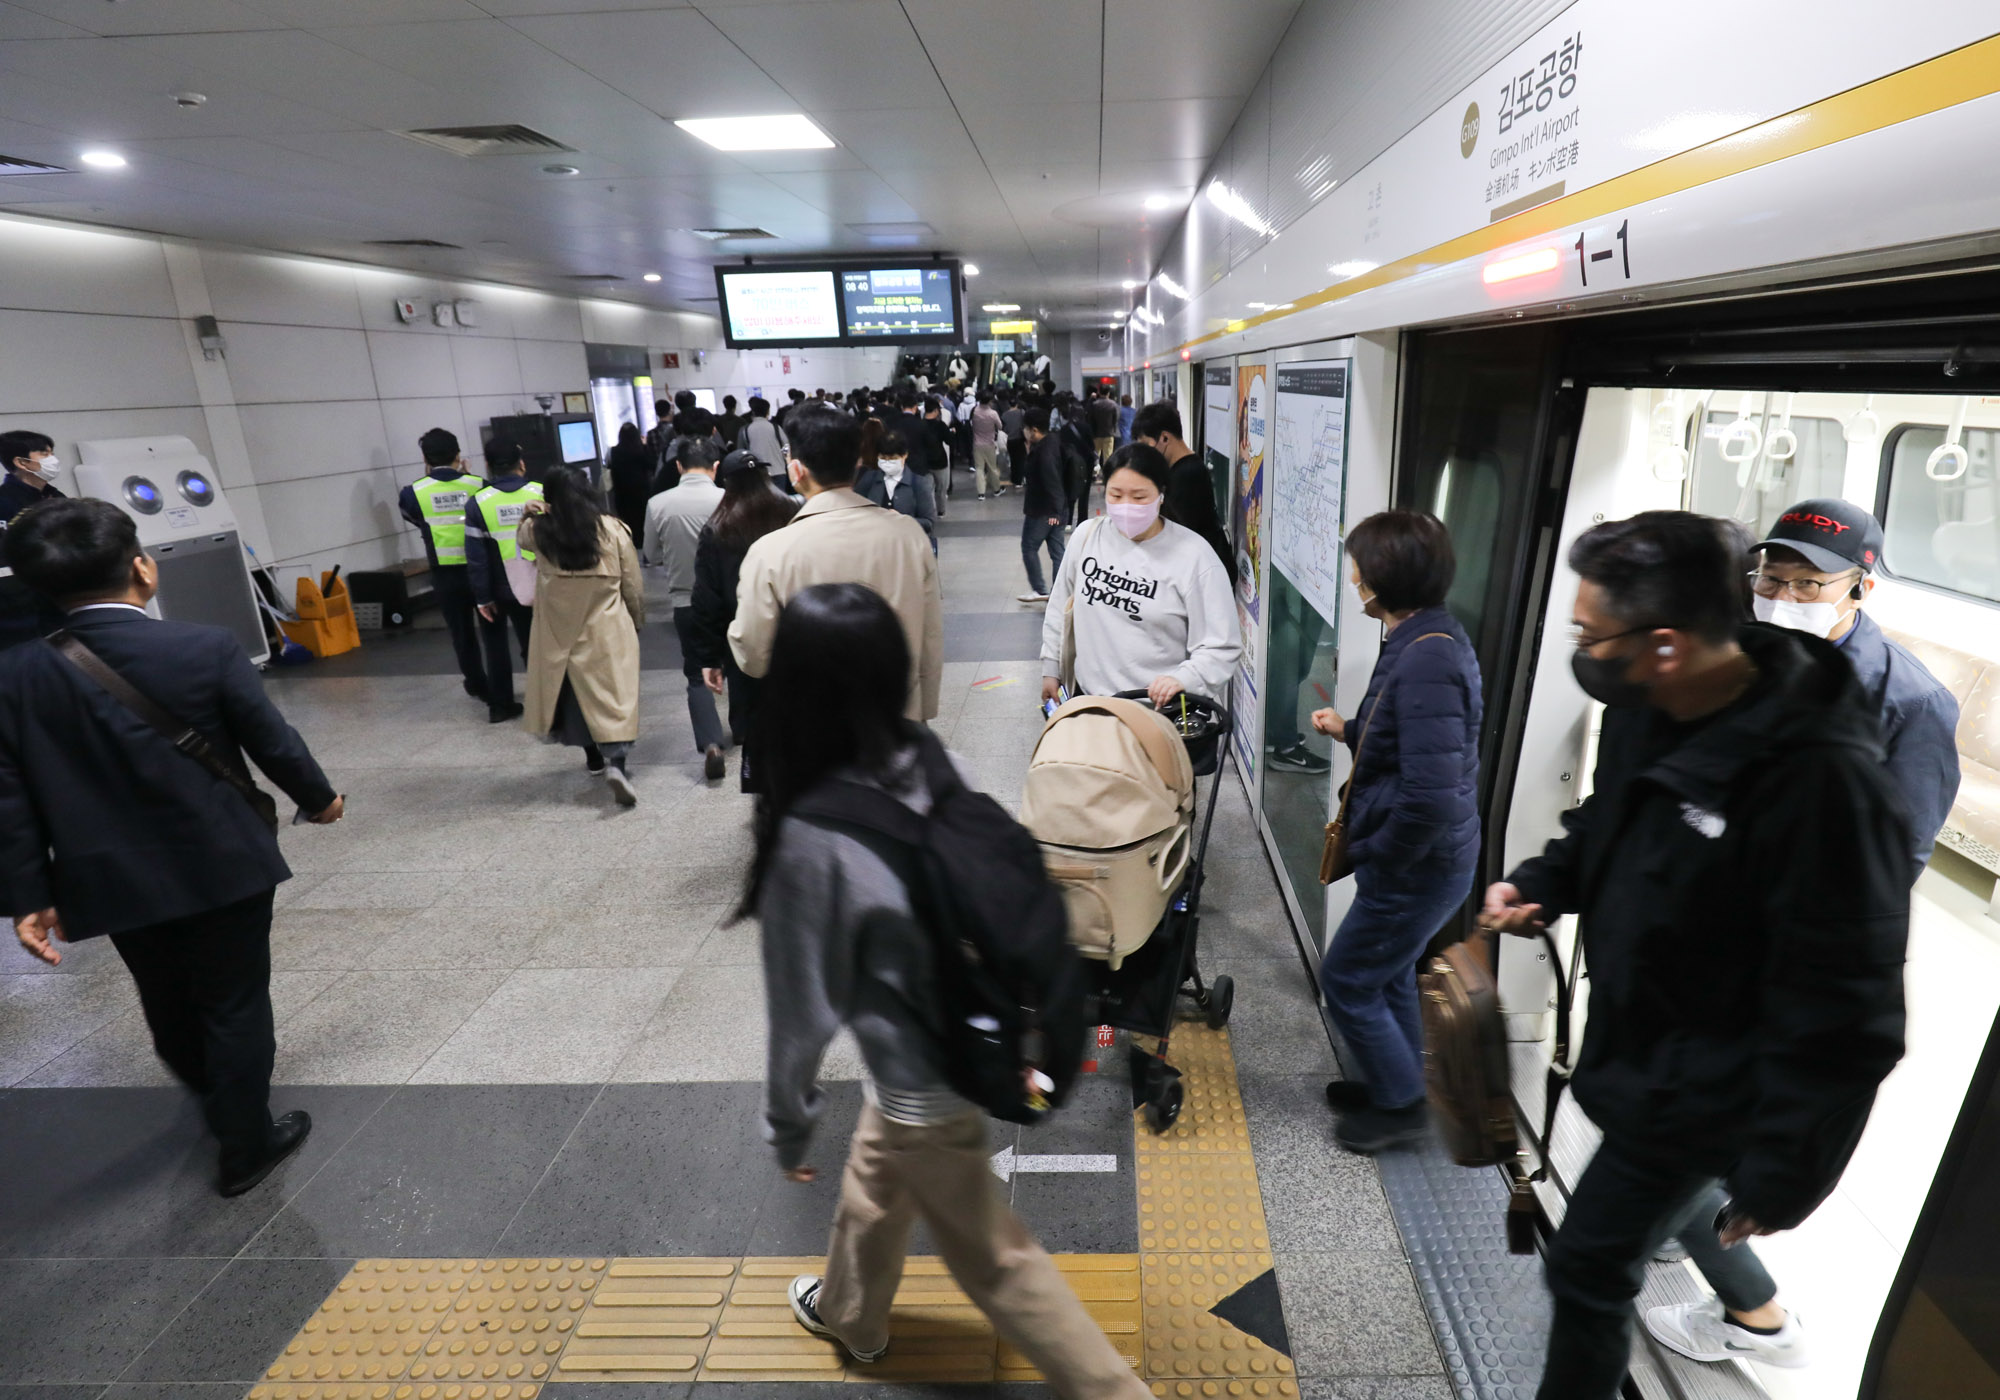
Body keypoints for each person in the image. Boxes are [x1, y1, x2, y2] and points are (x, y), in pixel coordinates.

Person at [1480, 511, 1910, 1399]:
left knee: (1588, 1264)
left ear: (1666, 643)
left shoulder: (1822, 781)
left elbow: (1852, 1011)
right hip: (1642, 1048)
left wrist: (1785, 1173)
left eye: (1593, 635)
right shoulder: (1653, 708)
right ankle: (1753, 1305)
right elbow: (1610, 821)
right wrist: (1543, 883)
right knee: (1605, 1251)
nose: (1585, 652)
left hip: (1712, 1086)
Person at [745, 581, 1150, 1399]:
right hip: (977, 1025)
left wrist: (787, 1128)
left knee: (998, 1262)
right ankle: (851, 1313)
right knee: (877, 1177)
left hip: (926, 1073)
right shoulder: (930, 755)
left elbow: (800, 1013)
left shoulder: (812, 834)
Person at [1642, 497, 1962, 1369]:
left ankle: (1755, 1314)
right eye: (1770, 579)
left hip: (1784, 960)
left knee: (1678, 1130)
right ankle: (1677, 1231)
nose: (1782, 597)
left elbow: (1897, 857)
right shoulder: (1738, 656)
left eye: (1807, 585)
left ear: (1859, 588)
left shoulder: (1909, 702)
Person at [0, 497, 342, 1196]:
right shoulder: (202, 646)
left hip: (107, 877)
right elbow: (270, 739)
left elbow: (10, 797)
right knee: (234, 1002)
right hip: (220, 860)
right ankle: (245, 1144)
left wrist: (29, 895)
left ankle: (214, 1094)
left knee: (164, 996)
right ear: (142, 569)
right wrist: (319, 797)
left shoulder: (14, 676)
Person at [1305, 512, 1480, 1149]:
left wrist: (1382, 853)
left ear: (1382, 579)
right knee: (1391, 971)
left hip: (1417, 865)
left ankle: (1402, 1105)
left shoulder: (1428, 658)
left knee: (1349, 979)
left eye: (1358, 569)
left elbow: (1429, 797)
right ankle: (1397, 1083)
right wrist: (1348, 730)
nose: (1354, 579)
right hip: (1424, 861)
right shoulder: (1424, 636)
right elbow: (1413, 740)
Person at [729, 405, 943, 724]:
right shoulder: (908, 536)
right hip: (897, 719)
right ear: (857, 463)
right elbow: (930, 635)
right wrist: (923, 711)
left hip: (813, 728)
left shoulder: (770, 552)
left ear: (796, 470)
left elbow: (754, 655)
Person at [1038, 444, 1241, 707]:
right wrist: (1051, 668)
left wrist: (1184, 679)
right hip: (1090, 703)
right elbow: (1059, 607)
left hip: (1158, 712)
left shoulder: (1195, 557)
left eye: (1139, 497)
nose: (1126, 506)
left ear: (1161, 495)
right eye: (1116, 495)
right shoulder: (1086, 537)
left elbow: (1220, 645)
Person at [520, 466, 645, 805]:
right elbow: (632, 583)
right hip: (607, 628)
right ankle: (617, 764)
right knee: (614, 697)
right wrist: (636, 619)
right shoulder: (612, 529)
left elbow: (521, 539)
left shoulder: (539, 531)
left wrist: (528, 512)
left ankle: (592, 758)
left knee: (575, 696)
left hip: (559, 633)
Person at [689, 452, 798, 792]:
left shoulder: (718, 528)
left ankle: (764, 786)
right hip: (796, 630)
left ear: (727, 483)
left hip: (743, 636)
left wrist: (709, 658)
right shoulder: (793, 513)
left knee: (753, 719)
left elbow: (706, 600)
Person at [644, 435, 730, 780]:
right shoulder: (729, 500)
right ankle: (743, 731)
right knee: (738, 667)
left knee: (697, 673)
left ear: (678, 466)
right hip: (730, 600)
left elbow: (651, 554)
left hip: (686, 601)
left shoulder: (658, 503)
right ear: (716, 467)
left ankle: (711, 744)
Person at [398, 429, 488, 705]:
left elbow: (414, 517)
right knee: (493, 631)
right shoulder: (478, 485)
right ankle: (500, 686)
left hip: (446, 574)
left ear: (425, 459)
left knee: (462, 633)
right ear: (458, 455)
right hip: (481, 569)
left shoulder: (413, 492)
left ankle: (476, 683)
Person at [465, 439, 542, 724]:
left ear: (488, 465)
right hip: (534, 584)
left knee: (495, 646)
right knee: (535, 645)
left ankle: (499, 705)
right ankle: (545, 703)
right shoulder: (540, 492)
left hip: (497, 588)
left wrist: (482, 596)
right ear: (521, 463)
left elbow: (476, 557)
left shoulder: (478, 503)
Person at [1131, 402, 1235, 585]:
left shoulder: (1187, 475)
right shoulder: (1180, 469)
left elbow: (1182, 536)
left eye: (1147, 445)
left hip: (1205, 577)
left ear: (1164, 438)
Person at [0, 429, 68, 650]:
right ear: (21, 462)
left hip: (61, 598)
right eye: (44, 454)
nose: (53, 460)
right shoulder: (4, 502)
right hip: (22, 609)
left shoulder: (56, 497)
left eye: (52, 453)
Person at [856, 428, 938, 552]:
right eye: (883, 458)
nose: (887, 462)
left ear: (904, 455)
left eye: (893, 458)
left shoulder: (919, 483)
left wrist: (902, 520)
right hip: (875, 548)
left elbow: (928, 523)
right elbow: (855, 509)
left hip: (907, 550)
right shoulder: (869, 479)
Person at [1016, 407, 1066, 605]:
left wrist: (1054, 512)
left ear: (1034, 430)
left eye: (1026, 428)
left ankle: (1039, 589)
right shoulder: (1054, 441)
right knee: (1057, 551)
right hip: (1058, 508)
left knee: (1029, 546)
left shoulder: (1043, 452)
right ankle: (1060, 591)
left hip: (1043, 510)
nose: (1024, 431)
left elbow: (1051, 482)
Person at [606, 422, 654, 545]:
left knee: (628, 523)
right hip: (642, 493)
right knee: (643, 523)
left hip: (622, 494)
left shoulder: (612, 451)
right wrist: (645, 445)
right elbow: (652, 465)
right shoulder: (641, 450)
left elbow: (608, 466)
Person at [740, 397, 789, 487]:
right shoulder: (775, 428)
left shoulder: (746, 430)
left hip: (758, 473)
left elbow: (743, 452)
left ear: (753, 412)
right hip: (778, 471)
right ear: (768, 412)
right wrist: (783, 458)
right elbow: (786, 446)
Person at [970, 391, 1004, 499]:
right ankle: (996, 489)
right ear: (990, 401)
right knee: (992, 468)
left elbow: (971, 424)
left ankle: (981, 493)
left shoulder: (974, 411)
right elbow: (1000, 426)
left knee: (979, 468)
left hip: (977, 443)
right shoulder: (993, 413)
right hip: (989, 443)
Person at [1087, 389, 1119, 471]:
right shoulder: (1113, 404)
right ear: (1108, 393)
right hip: (1109, 433)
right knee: (1108, 455)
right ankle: (1106, 473)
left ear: (1099, 393)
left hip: (1096, 433)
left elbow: (1090, 418)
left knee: (1096, 455)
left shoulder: (1094, 404)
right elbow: (1116, 419)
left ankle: (1095, 473)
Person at [1001, 394, 1027, 488]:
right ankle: (1019, 480)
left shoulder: (1004, 415)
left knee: (1013, 459)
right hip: (1019, 439)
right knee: (1020, 460)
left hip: (1009, 439)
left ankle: (1014, 478)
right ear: (1017, 404)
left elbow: (1003, 428)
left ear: (1008, 404)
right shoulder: (1021, 412)